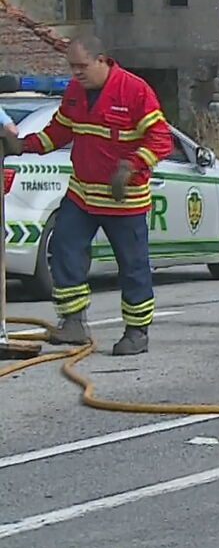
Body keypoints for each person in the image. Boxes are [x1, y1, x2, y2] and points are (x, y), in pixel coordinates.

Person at [0, 35, 171, 355]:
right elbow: (58, 132)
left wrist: (132, 166)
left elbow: (161, 139)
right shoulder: (75, 92)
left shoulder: (134, 91)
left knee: (133, 266)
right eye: (72, 67)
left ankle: (137, 332)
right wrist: (23, 146)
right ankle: (73, 323)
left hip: (124, 201)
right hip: (82, 195)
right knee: (64, 251)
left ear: (102, 60)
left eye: (82, 66)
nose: (76, 73)